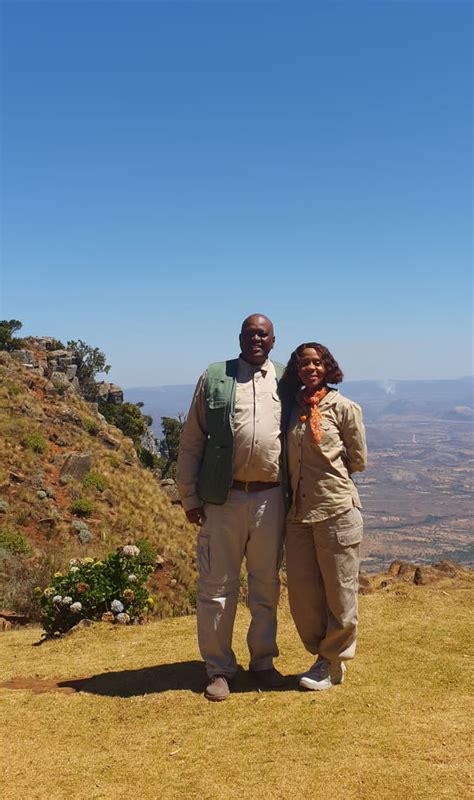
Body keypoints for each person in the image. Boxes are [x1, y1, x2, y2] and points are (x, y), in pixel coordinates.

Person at [177, 314, 286, 701]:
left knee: (266, 586)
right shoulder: (215, 377)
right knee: (217, 587)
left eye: (263, 333)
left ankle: (262, 662)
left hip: (271, 498)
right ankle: (219, 669)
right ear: (239, 337)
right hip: (223, 500)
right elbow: (191, 440)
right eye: (250, 333)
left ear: (273, 341)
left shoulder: (286, 379)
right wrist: (189, 496)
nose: (256, 338)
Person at [280, 342, 367, 691]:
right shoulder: (291, 408)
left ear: (327, 367)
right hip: (298, 514)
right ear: (296, 370)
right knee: (302, 595)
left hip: (336, 510)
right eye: (304, 364)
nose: (310, 368)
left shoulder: (344, 407)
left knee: (340, 591)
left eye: (317, 363)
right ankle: (321, 654)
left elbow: (358, 459)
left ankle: (333, 662)